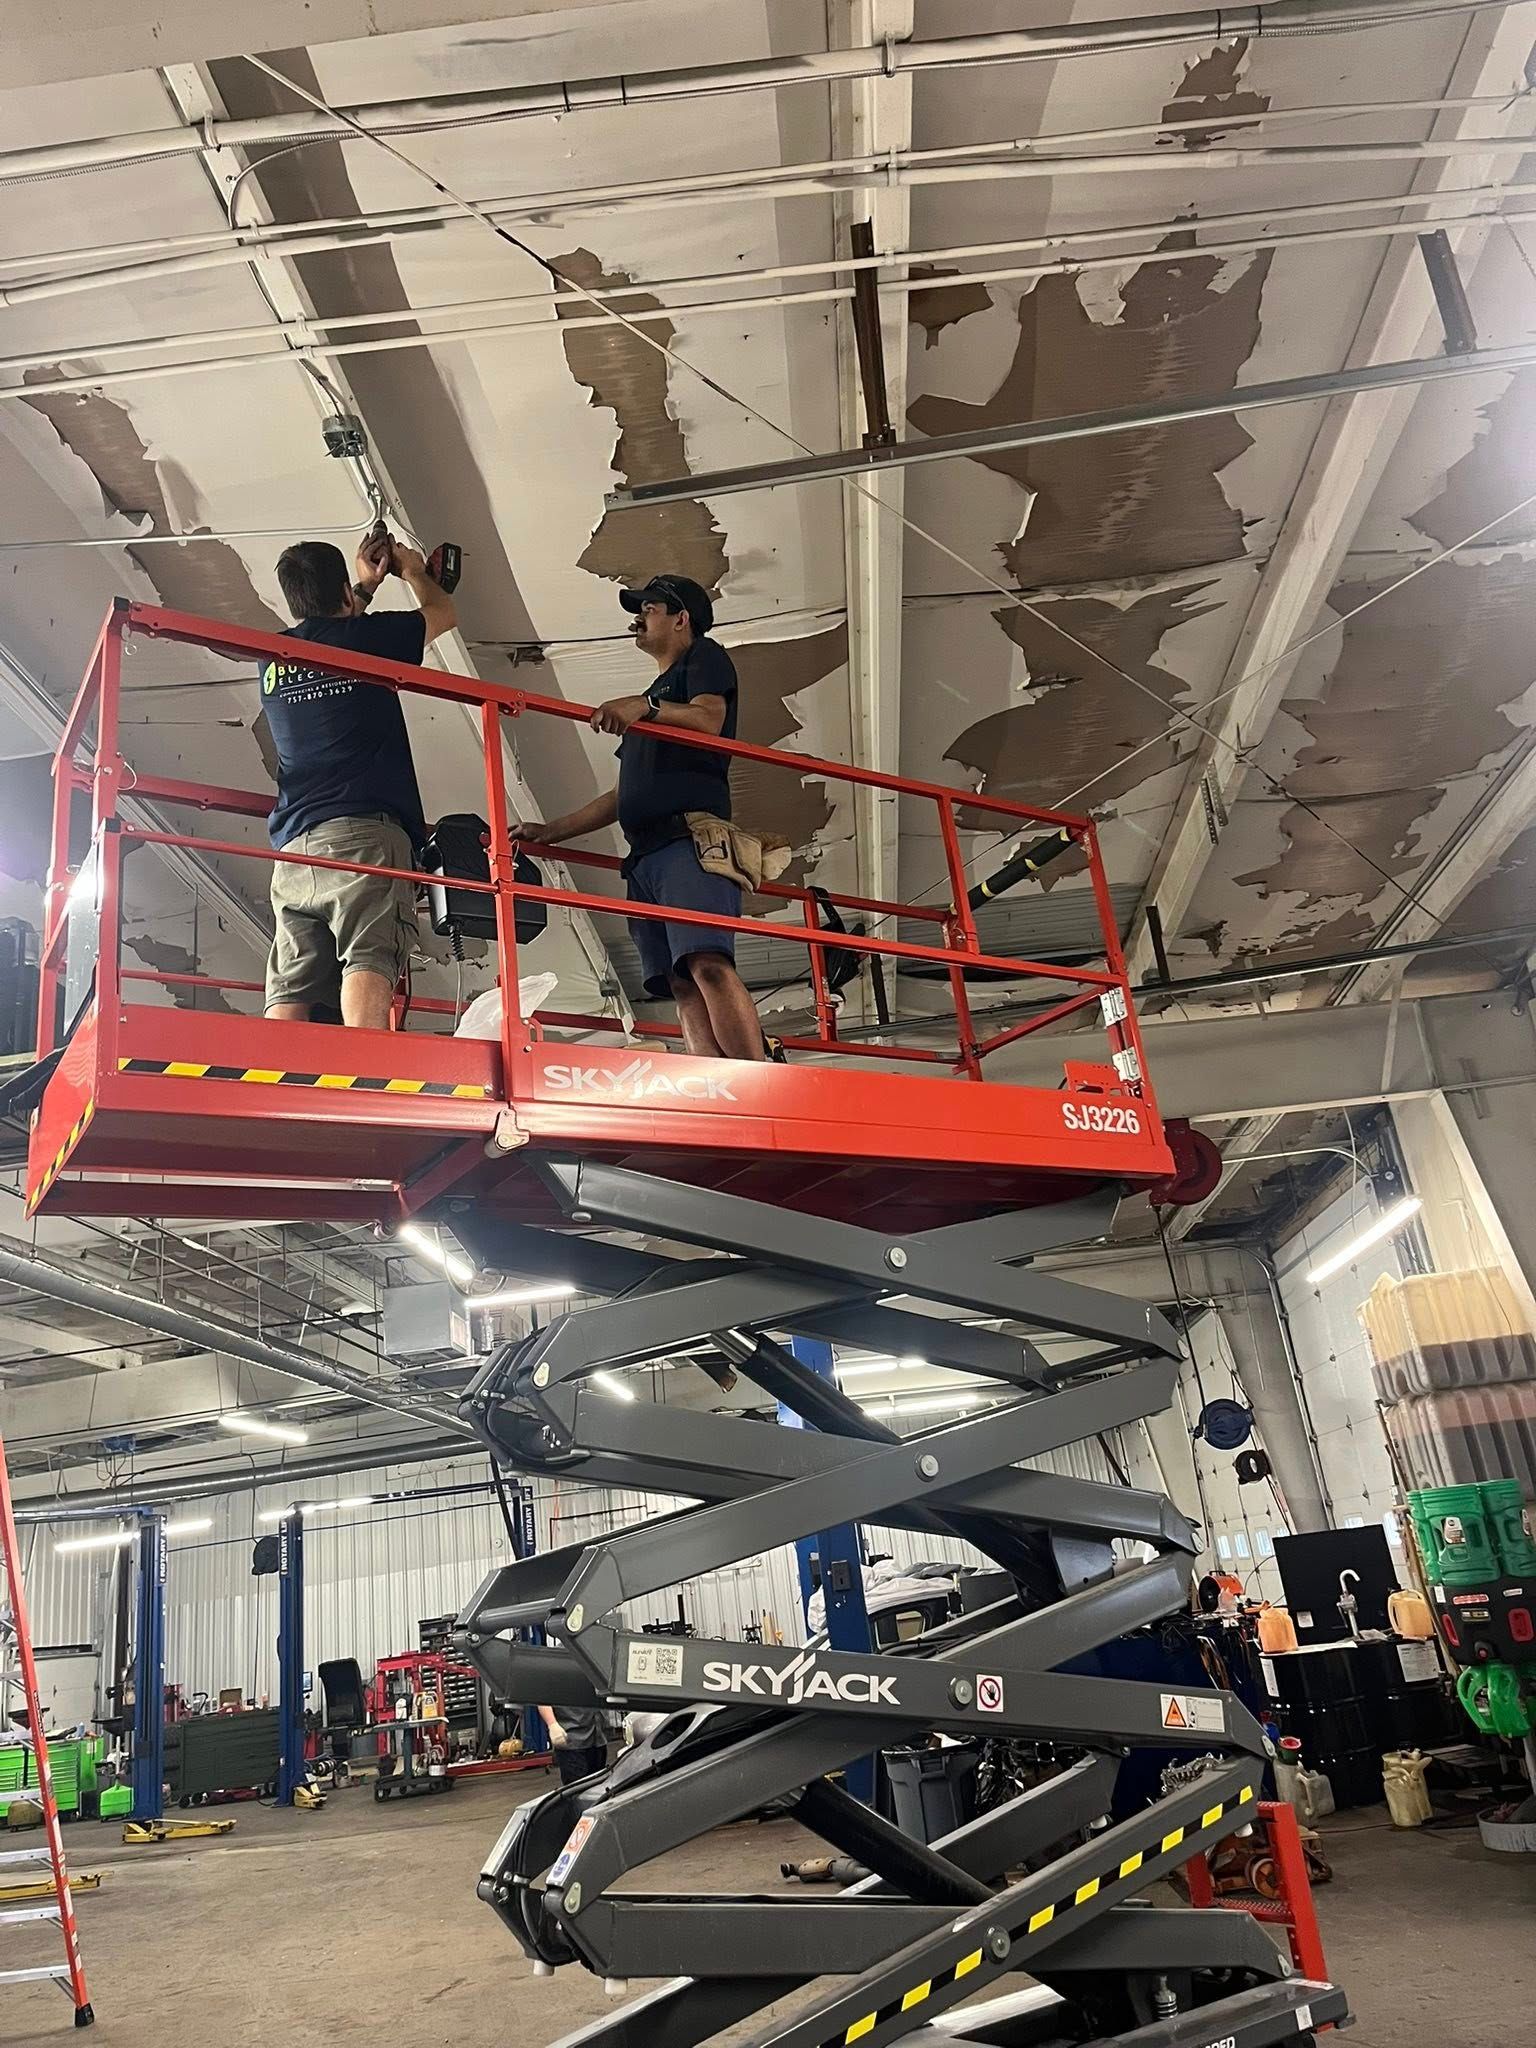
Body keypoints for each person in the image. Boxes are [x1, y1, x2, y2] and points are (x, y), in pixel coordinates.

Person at [521, 575, 764, 1060]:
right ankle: (714, 1082)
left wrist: (645, 707)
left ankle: (757, 1076)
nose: (638, 617)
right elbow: (622, 795)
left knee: (708, 963)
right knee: (682, 982)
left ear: (681, 619)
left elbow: (710, 717)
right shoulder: (654, 703)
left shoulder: (704, 657)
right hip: (647, 855)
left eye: (650, 608)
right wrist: (550, 832)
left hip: (688, 839)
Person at [261, 530, 456, 1030]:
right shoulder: (366, 640)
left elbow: (329, 636)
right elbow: (443, 614)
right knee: (369, 950)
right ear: (343, 594)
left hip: (295, 846)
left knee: (294, 977)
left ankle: (279, 1085)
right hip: (363, 834)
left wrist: (365, 588)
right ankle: (365, 1070)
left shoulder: (271, 658)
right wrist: (411, 570)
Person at [538, 1701, 611, 1786]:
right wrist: (552, 1724)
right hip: (572, 1740)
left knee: (599, 1786)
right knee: (576, 1790)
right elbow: (543, 1699)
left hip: (598, 1738)